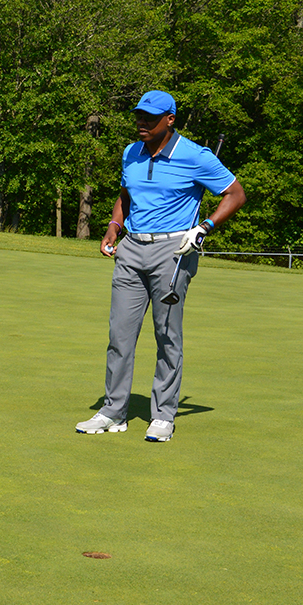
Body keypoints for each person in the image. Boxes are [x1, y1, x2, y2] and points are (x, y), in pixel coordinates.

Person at [77, 91, 246, 442]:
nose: (142, 123)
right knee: (119, 336)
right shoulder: (131, 152)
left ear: (169, 120)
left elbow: (235, 194)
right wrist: (113, 226)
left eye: (150, 118)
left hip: (174, 250)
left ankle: (164, 415)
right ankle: (113, 411)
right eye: (139, 116)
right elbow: (126, 196)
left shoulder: (195, 156)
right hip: (132, 248)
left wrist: (205, 228)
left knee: (167, 335)